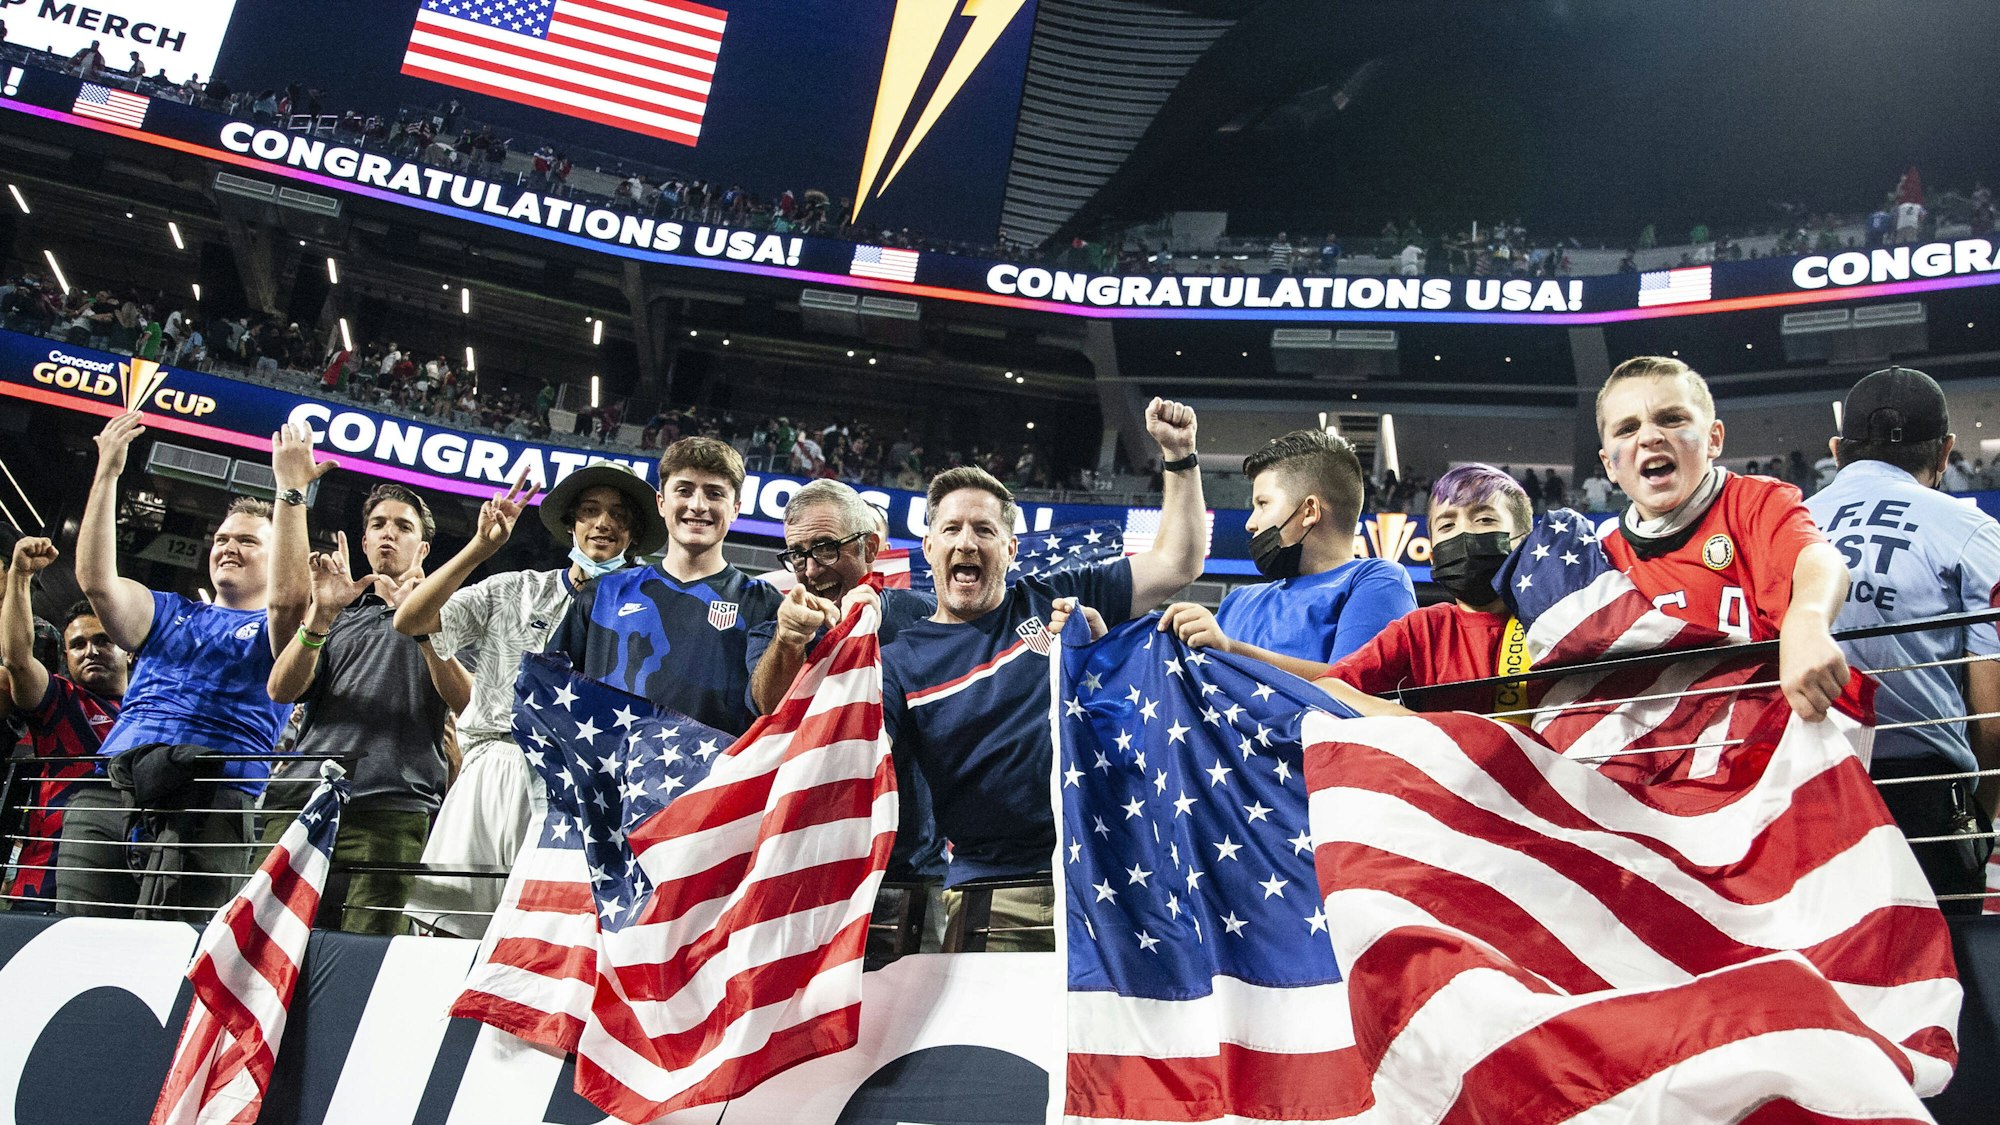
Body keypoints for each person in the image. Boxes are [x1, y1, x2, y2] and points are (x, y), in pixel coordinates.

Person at [880, 398, 1207, 950]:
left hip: (1115, 867)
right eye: (952, 529)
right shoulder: (899, 663)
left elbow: (1179, 562)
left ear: (1010, 549)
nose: (966, 542)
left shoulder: (1058, 599)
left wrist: (1179, 456)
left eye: (984, 530)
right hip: (997, 892)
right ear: (928, 547)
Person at [67, 412, 324, 916]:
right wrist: (108, 473)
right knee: (74, 943)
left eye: (247, 541)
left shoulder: (282, 629)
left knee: (168, 952)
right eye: (223, 539)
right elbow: (97, 582)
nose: (228, 547)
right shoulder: (167, 609)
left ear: (276, 558)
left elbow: (289, 600)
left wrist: (290, 494)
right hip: (112, 787)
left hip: (213, 797)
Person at [396, 463, 667, 937]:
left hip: (580, 785)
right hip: (495, 766)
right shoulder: (515, 588)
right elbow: (411, 620)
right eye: (590, 511)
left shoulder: (649, 615)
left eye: (618, 515)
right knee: (448, 931)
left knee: (542, 944)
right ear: (572, 524)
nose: (603, 523)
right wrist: (482, 548)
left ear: (634, 534)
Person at [1806, 367, 2000, 913]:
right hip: (1926, 796)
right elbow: (1996, 715)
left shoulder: (1786, 527)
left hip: (1806, 790)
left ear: (1838, 451)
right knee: (1941, 980)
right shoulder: (1973, 531)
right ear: (1945, 453)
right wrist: (1975, 814)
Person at [1594, 356, 1849, 720]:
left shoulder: (1753, 504)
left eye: (1672, 419)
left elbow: (1820, 561)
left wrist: (1807, 619)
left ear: (1714, 439)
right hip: (1660, 764)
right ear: (1609, 465)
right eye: (1627, 429)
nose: (1650, 437)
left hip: (1761, 755)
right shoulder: (1602, 560)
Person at [265, 485, 464, 935]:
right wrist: (320, 615)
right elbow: (280, 689)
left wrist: (419, 622)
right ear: (364, 542)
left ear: (424, 548)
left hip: (392, 808)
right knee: (263, 939)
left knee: (362, 957)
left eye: (402, 527)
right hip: (302, 799)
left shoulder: (452, 615)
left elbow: (465, 702)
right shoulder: (337, 613)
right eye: (378, 525)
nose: (388, 535)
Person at [547, 437, 781, 736]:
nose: (698, 505)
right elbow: (549, 693)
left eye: (714, 494)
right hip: (611, 779)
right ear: (661, 502)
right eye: (684, 490)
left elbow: (774, 711)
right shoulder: (603, 593)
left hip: (713, 780)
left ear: (735, 509)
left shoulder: (765, 604)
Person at [1157, 429, 1415, 680]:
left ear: (1309, 511)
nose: (1251, 523)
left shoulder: (1377, 579)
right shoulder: (1239, 601)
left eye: (1263, 504)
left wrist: (1231, 651)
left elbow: (1356, 686)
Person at [1319, 465, 1534, 716]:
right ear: (1434, 556)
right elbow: (1328, 688)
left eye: (1485, 519)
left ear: (1524, 543)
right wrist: (1422, 727)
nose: (1464, 532)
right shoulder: (1422, 629)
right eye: (1446, 526)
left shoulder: (1555, 621)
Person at [2, 539, 130, 909]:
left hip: (124, 883)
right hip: (46, 882)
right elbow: (17, 661)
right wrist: (21, 576)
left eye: (103, 640)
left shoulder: (150, 710)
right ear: (65, 657)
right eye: (78, 644)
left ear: (128, 648)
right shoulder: (59, 699)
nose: (90, 650)